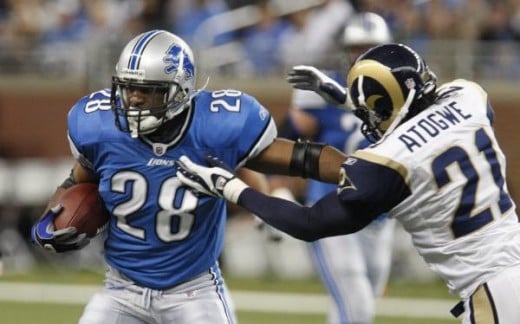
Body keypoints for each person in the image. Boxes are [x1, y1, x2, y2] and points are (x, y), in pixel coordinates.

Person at [175, 43, 520, 324]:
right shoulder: (468, 97)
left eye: (371, 111)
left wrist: (231, 187)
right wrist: (346, 98)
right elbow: (422, 118)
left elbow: (309, 223)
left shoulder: (390, 161)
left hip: (494, 288)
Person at [29, 30, 346, 324]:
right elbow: (76, 183)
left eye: (147, 90)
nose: (134, 99)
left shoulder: (215, 124)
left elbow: (300, 158)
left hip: (193, 290)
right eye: (128, 87)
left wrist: (357, 171)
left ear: (180, 90)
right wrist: (48, 224)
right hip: (120, 288)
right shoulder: (99, 126)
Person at [285, 12, 395, 324]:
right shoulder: (324, 86)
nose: (361, 54)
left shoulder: (401, 94)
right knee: (356, 303)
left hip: (380, 216)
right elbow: (289, 135)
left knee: (361, 301)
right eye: (356, 47)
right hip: (334, 206)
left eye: (370, 47)